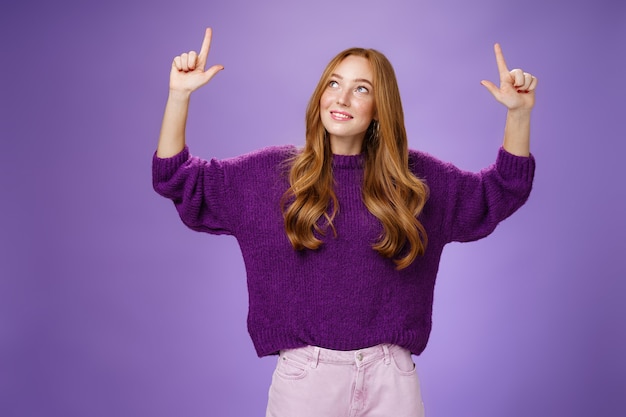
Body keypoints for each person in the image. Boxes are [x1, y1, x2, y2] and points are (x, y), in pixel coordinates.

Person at [152, 27, 537, 417]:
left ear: (379, 108)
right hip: (305, 383)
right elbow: (176, 177)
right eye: (334, 83)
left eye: (361, 89)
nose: (342, 97)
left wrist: (519, 113)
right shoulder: (268, 175)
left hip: (392, 381)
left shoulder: (414, 180)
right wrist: (178, 95)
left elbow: (502, 190)